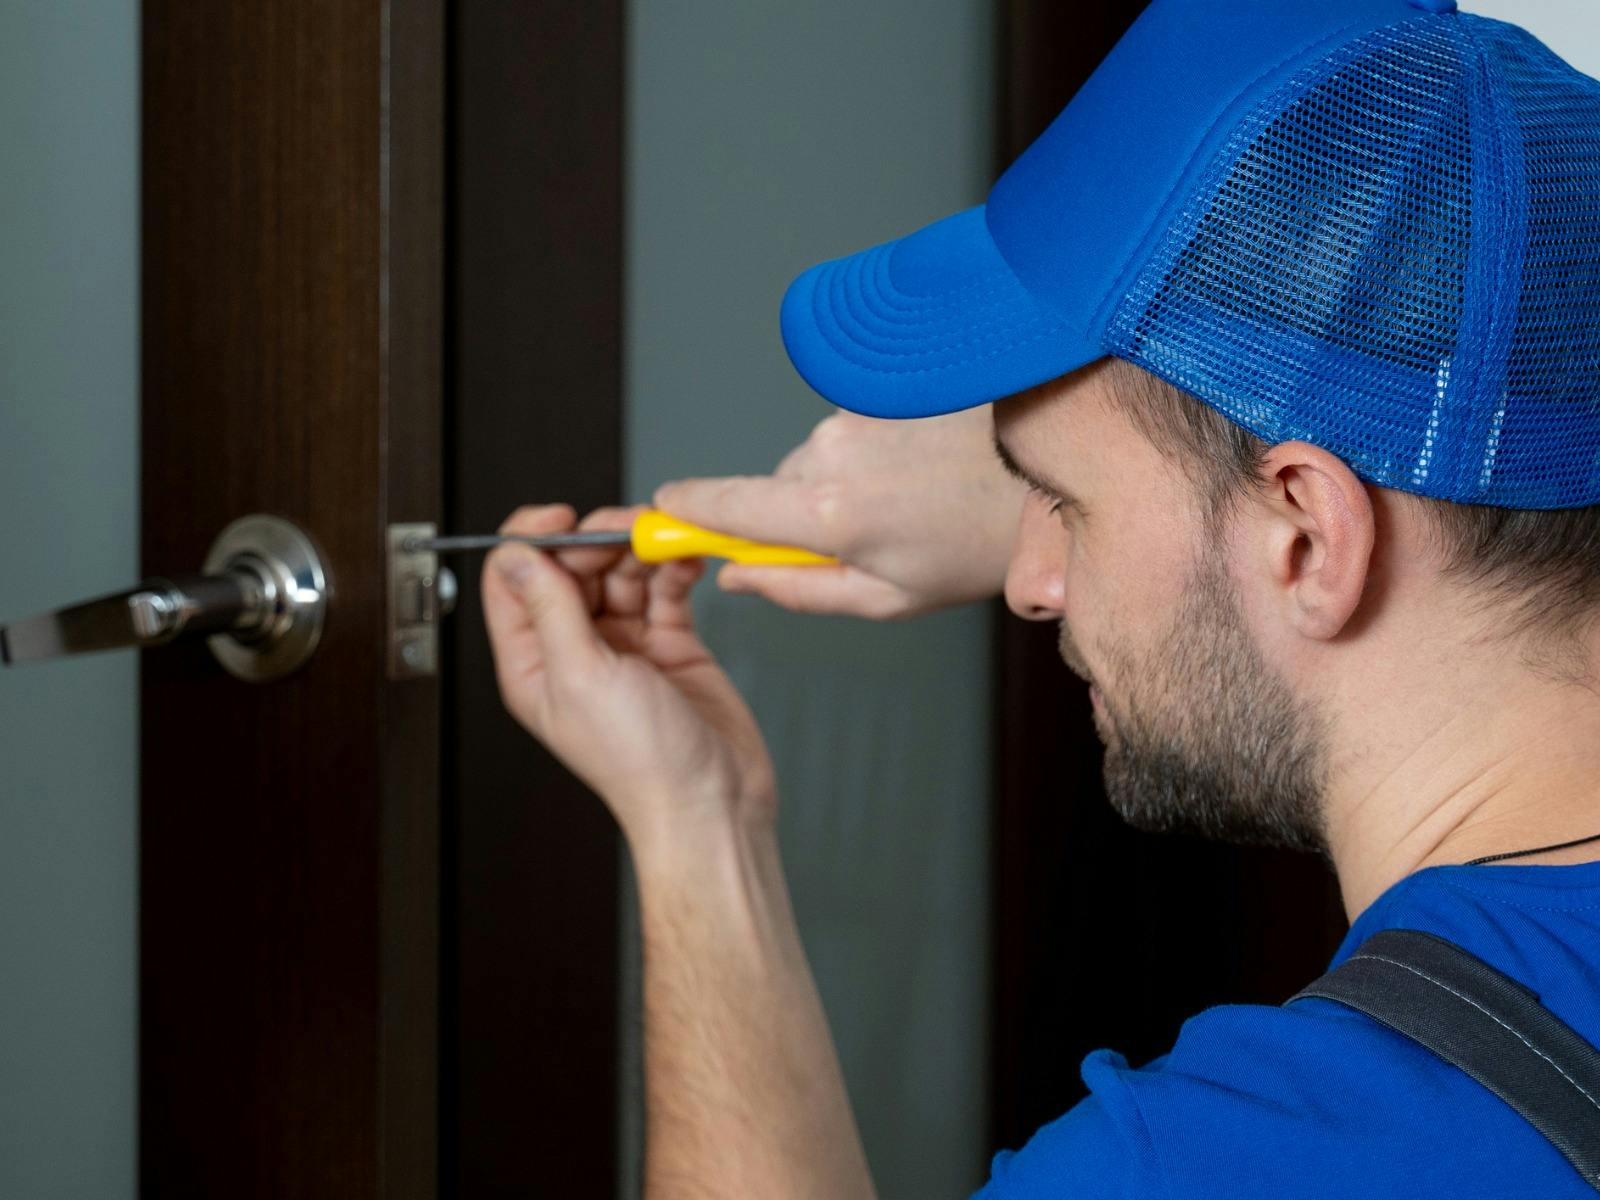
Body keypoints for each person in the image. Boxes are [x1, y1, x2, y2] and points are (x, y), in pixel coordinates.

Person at [481, 0, 1600, 1195]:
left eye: (1061, 507)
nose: (1026, 585)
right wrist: (1092, 487)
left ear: (1305, 537)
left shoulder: (1215, 1164)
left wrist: (693, 832)